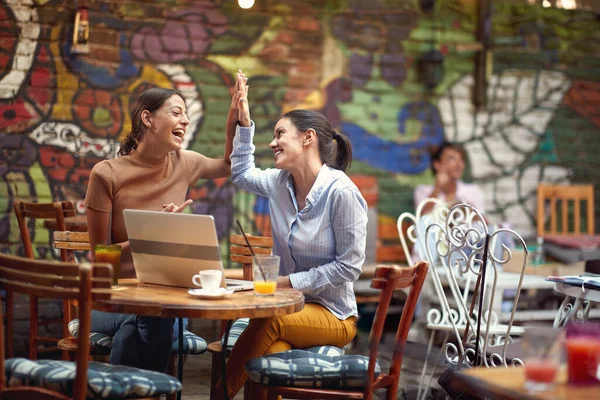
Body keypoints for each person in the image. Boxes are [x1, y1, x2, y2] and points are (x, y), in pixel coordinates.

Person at [83, 73, 246, 372]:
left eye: (186, 114)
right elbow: (100, 257)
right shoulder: (106, 174)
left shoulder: (186, 163)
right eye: (176, 112)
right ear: (147, 118)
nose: (185, 121)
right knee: (151, 316)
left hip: (165, 300)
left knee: (133, 333)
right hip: (110, 301)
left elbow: (231, 165)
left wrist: (234, 118)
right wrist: (152, 234)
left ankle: (122, 391)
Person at [224, 73, 368, 399]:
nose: (272, 143)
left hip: (333, 315)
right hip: (291, 311)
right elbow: (241, 173)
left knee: (267, 320)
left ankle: (219, 394)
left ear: (308, 138)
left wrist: (287, 284)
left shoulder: (341, 193)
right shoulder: (279, 182)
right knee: (270, 355)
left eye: (280, 134)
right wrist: (245, 124)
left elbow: (349, 268)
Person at [414, 141, 485, 216]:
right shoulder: (423, 191)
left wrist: (466, 208)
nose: (459, 164)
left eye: (461, 159)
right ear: (437, 164)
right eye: (451, 159)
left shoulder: (473, 191)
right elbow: (421, 220)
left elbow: (484, 224)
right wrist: (437, 190)